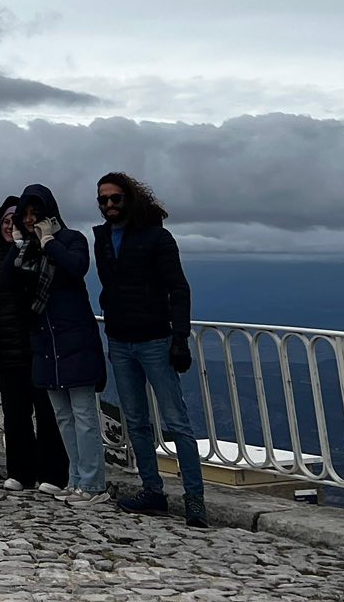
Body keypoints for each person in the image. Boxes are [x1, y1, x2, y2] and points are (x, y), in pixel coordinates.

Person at [95, 172, 207, 527]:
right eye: (103, 200)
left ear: (129, 198)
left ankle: (195, 499)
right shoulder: (101, 239)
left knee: (176, 421)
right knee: (136, 421)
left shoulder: (157, 238)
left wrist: (179, 338)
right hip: (119, 339)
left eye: (115, 198)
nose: (109, 205)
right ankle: (152, 491)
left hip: (156, 339)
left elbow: (179, 288)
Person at [0, 197, 68, 493]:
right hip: (4, 342)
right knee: (14, 411)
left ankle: (53, 474)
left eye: (16, 219)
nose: (11, 225)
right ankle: (20, 471)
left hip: (38, 341)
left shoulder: (38, 249)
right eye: (5, 221)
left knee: (47, 410)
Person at [17, 183, 107, 503]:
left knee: (83, 415)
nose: (29, 220)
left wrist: (48, 242)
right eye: (25, 215)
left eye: (35, 214)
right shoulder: (26, 250)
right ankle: (75, 477)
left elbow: (76, 267)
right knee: (63, 417)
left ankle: (94, 483)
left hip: (73, 335)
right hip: (45, 339)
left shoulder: (71, 240)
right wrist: (25, 247)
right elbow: (15, 288)